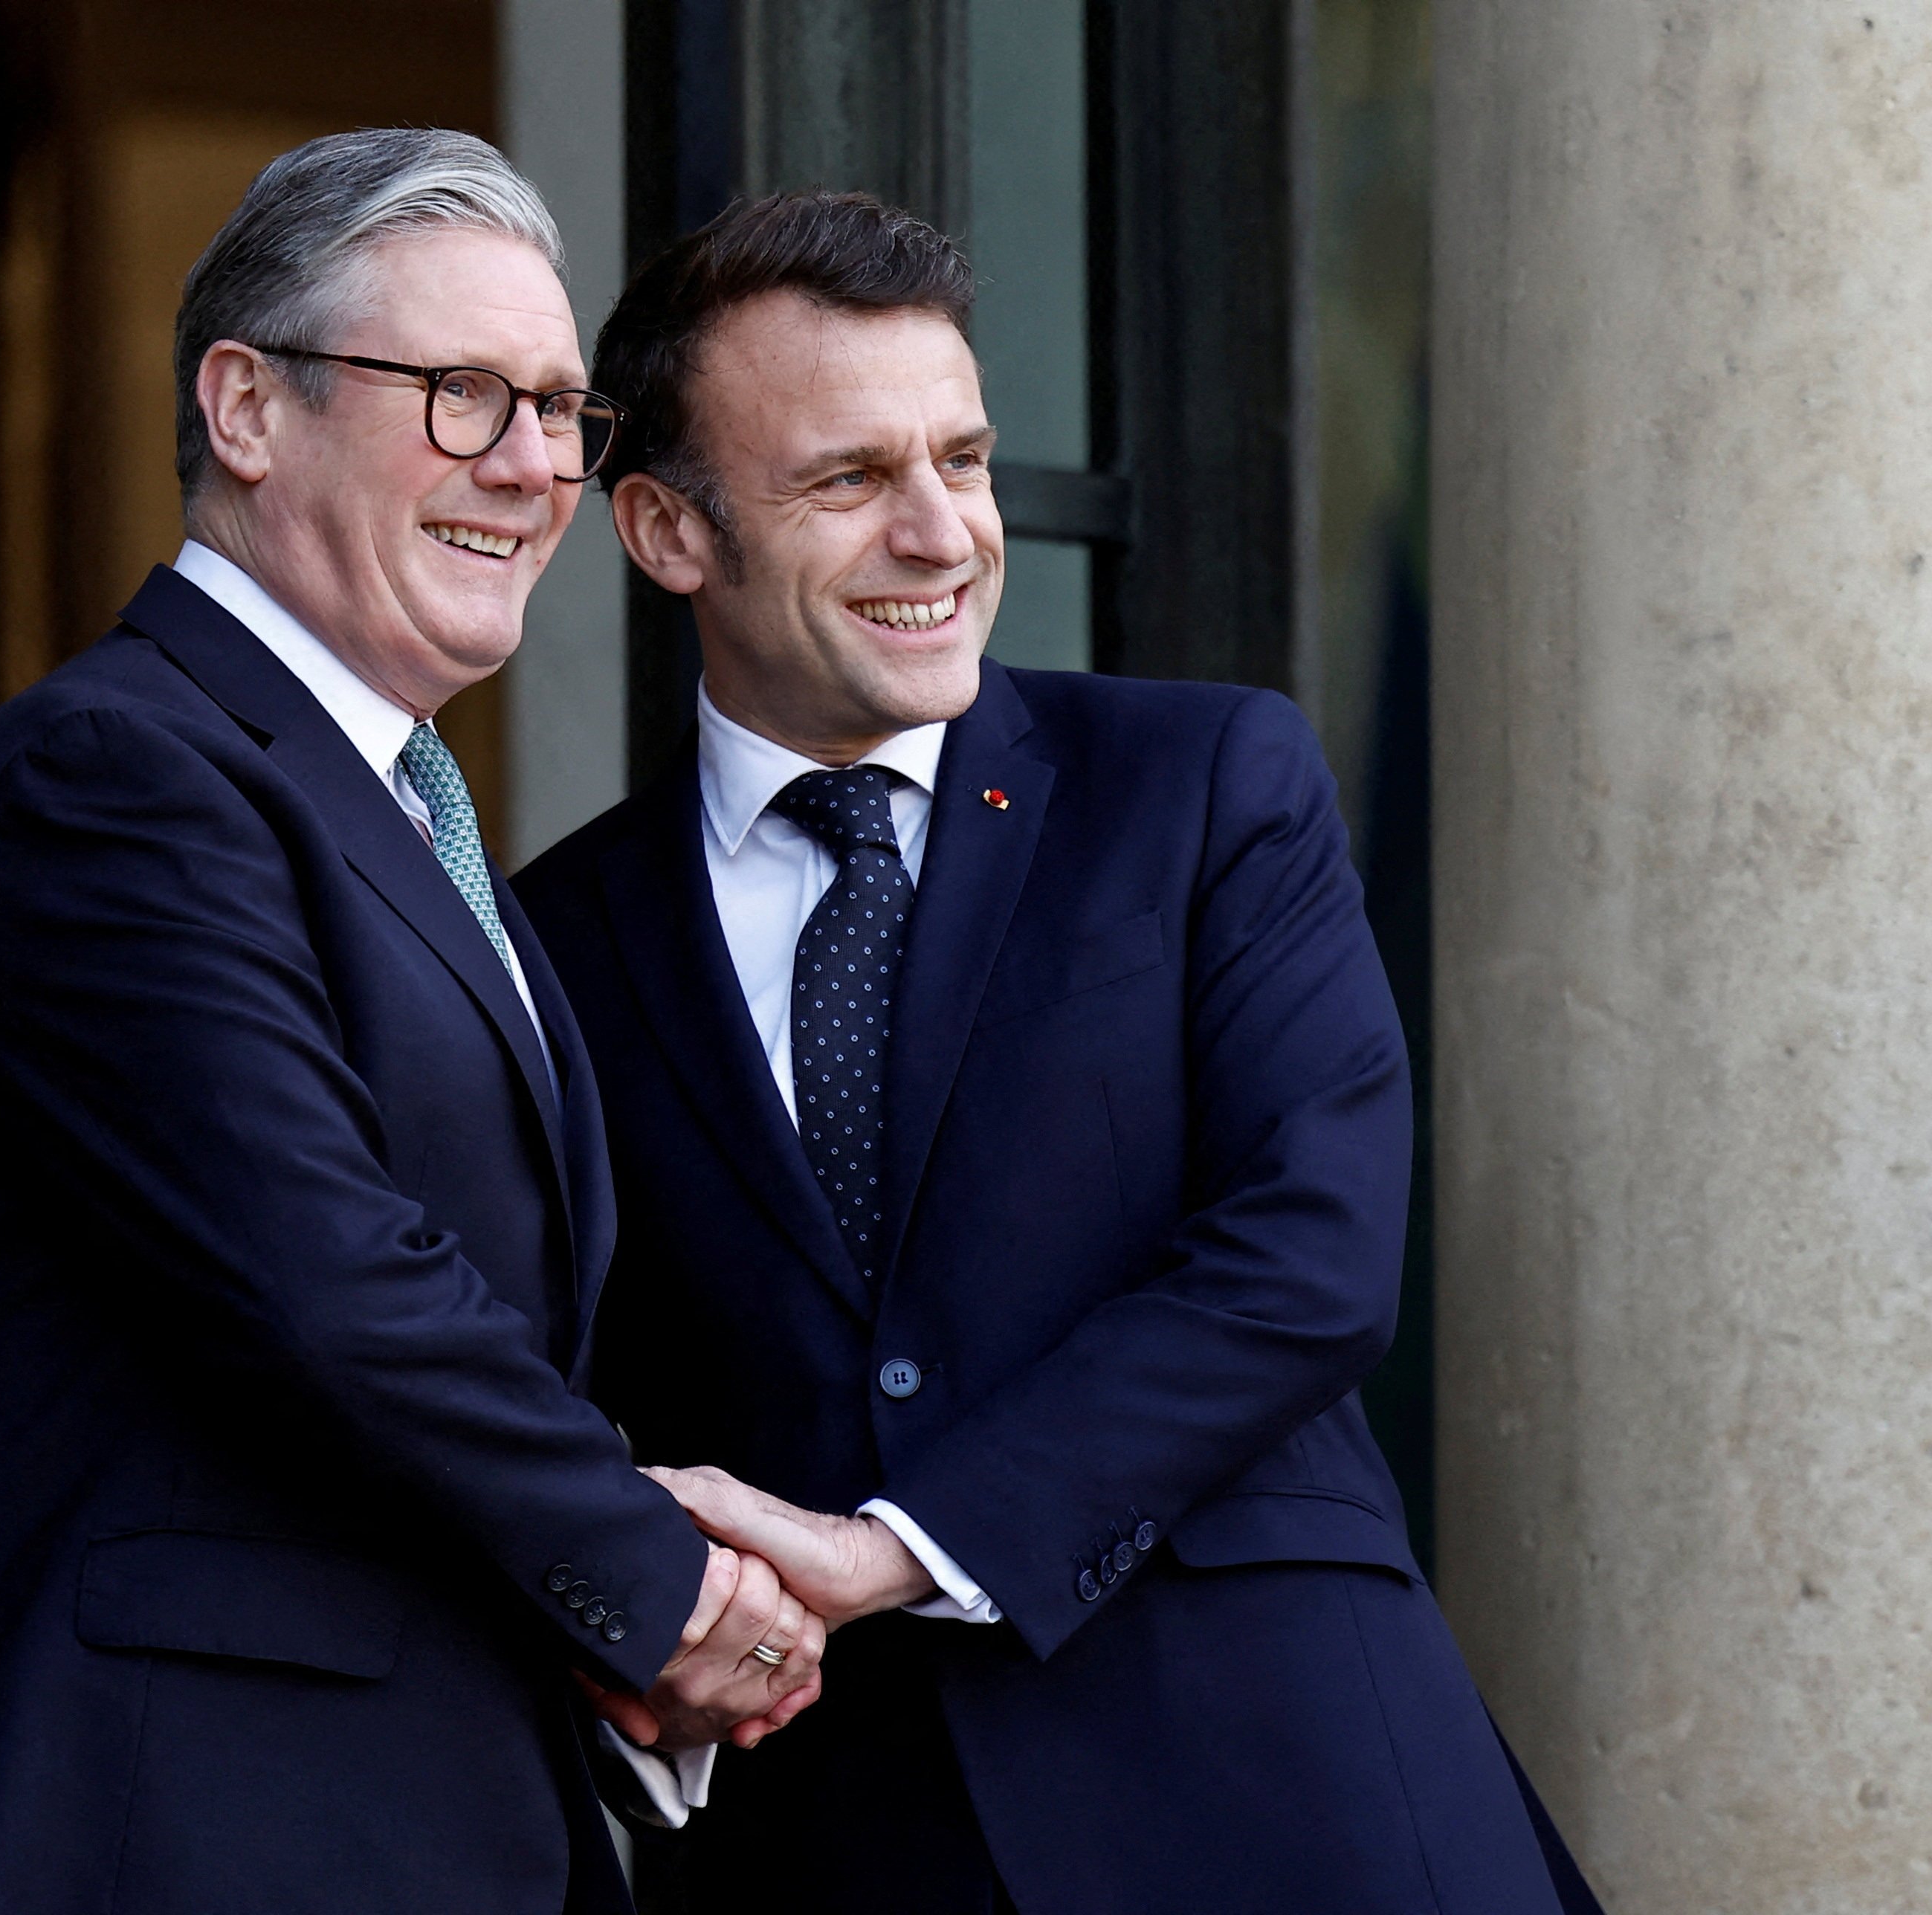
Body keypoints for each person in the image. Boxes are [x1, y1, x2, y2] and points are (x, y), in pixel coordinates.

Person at [513, 190, 1600, 1915]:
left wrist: (896, 1550)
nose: (941, 533)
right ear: (663, 531)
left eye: (966, 459)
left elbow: (1309, 1263)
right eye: (849, 480)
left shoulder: (1206, 785)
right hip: (845, 1843)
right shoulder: (555, 939)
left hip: (1289, 1797)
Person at [0, 130, 823, 1915]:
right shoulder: (112, 775)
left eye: (558, 409)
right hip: (184, 1826)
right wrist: (659, 1580)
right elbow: (331, 1278)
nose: (535, 467)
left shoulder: (405, 818)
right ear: (244, 406)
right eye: (463, 394)